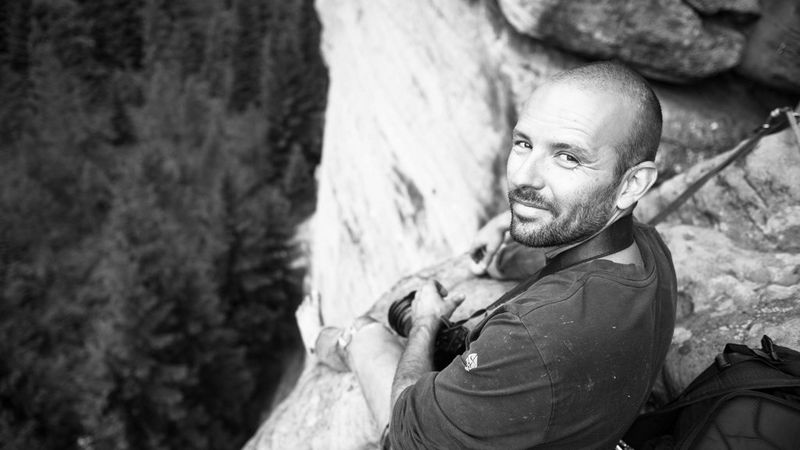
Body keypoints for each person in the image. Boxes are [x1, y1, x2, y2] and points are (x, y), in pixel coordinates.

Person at [298, 61, 677, 449]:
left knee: (367, 333)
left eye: (568, 157)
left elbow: (405, 438)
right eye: (524, 144)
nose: (524, 178)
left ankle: (322, 341)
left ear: (633, 184)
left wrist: (425, 324)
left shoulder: (532, 337)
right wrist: (510, 224)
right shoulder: (650, 250)